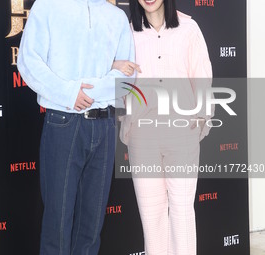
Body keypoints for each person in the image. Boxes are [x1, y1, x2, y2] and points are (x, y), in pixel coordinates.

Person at [17, 0, 137, 254]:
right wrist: (69, 93)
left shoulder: (116, 16)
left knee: (91, 227)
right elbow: (28, 61)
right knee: (57, 224)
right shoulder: (48, 6)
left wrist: (86, 89)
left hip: (104, 124)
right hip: (64, 122)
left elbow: (128, 76)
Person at [112, 0, 213, 254]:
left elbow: (201, 75)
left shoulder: (189, 29)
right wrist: (126, 118)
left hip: (182, 132)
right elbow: (118, 83)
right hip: (142, 137)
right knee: (152, 217)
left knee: (182, 213)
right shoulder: (127, 32)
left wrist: (200, 119)